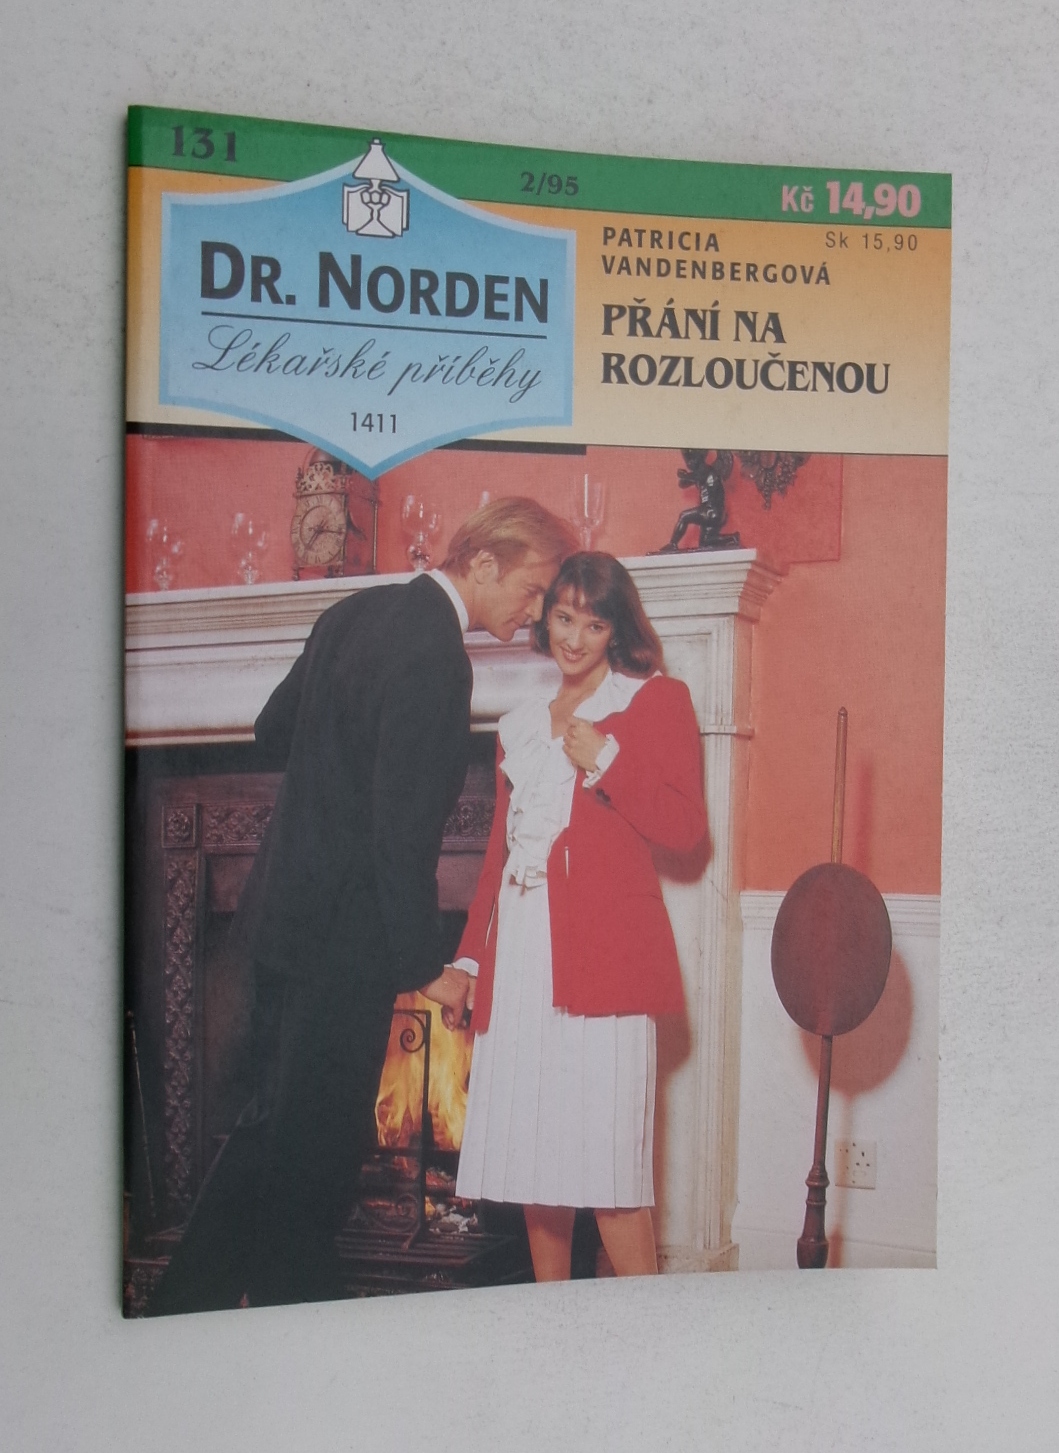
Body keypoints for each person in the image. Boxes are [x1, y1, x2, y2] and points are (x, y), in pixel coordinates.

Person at [146, 496, 576, 1314]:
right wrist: (426, 965)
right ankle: (289, 1321)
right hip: (341, 943)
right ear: (483, 562)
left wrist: (334, 770)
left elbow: (272, 729)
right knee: (312, 1162)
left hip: (279, 918)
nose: (532, 613)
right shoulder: (436, 656)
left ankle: (181, 1311)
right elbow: (399, 835)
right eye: (531, 590)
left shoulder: (355, 610)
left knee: (272, 1135)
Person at [449, 553, 707, 1281]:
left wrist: (608, 759)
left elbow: (686, 830)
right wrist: (468, 961)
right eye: (563, 618)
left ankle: (648, 1329)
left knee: (609, 1169)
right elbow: (498, 857)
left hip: (603, 958)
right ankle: (555, 1326)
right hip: (521, 951)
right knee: (538, 1167)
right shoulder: (519, 727)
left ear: (615, 630)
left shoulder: (655, 701)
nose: (573, 638)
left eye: (593, 625)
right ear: (546, 618)